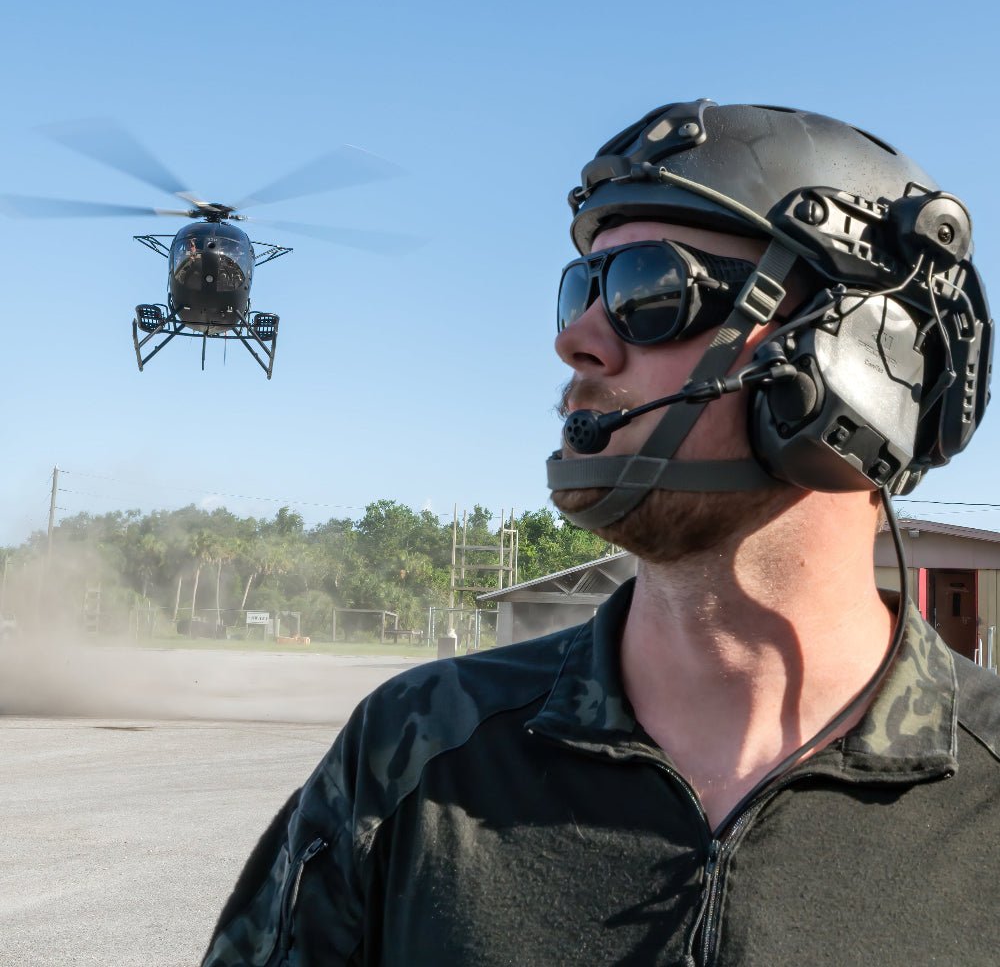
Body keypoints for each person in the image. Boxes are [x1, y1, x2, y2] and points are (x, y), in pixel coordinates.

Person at [202, 101, 998, 966]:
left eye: (648, 289)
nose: (575, 341)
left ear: (868, 360)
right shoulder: (417, 751)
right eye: (583, 287)